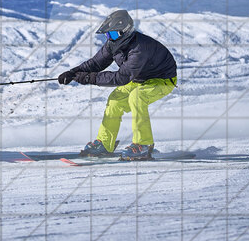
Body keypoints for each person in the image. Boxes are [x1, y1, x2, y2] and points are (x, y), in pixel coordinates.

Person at [58, 9, 178, 161]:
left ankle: (143, 145)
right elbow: (96, 63)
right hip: (140, 79)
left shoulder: (139, 48)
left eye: (113, 34)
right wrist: (73, 72)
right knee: (115, 99)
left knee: (137, 97)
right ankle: (105, 143)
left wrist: (89, 78)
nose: (110, 38)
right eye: (107, 35)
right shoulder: (113, 45)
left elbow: (121, 78)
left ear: (125, 31)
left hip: (162, 80)